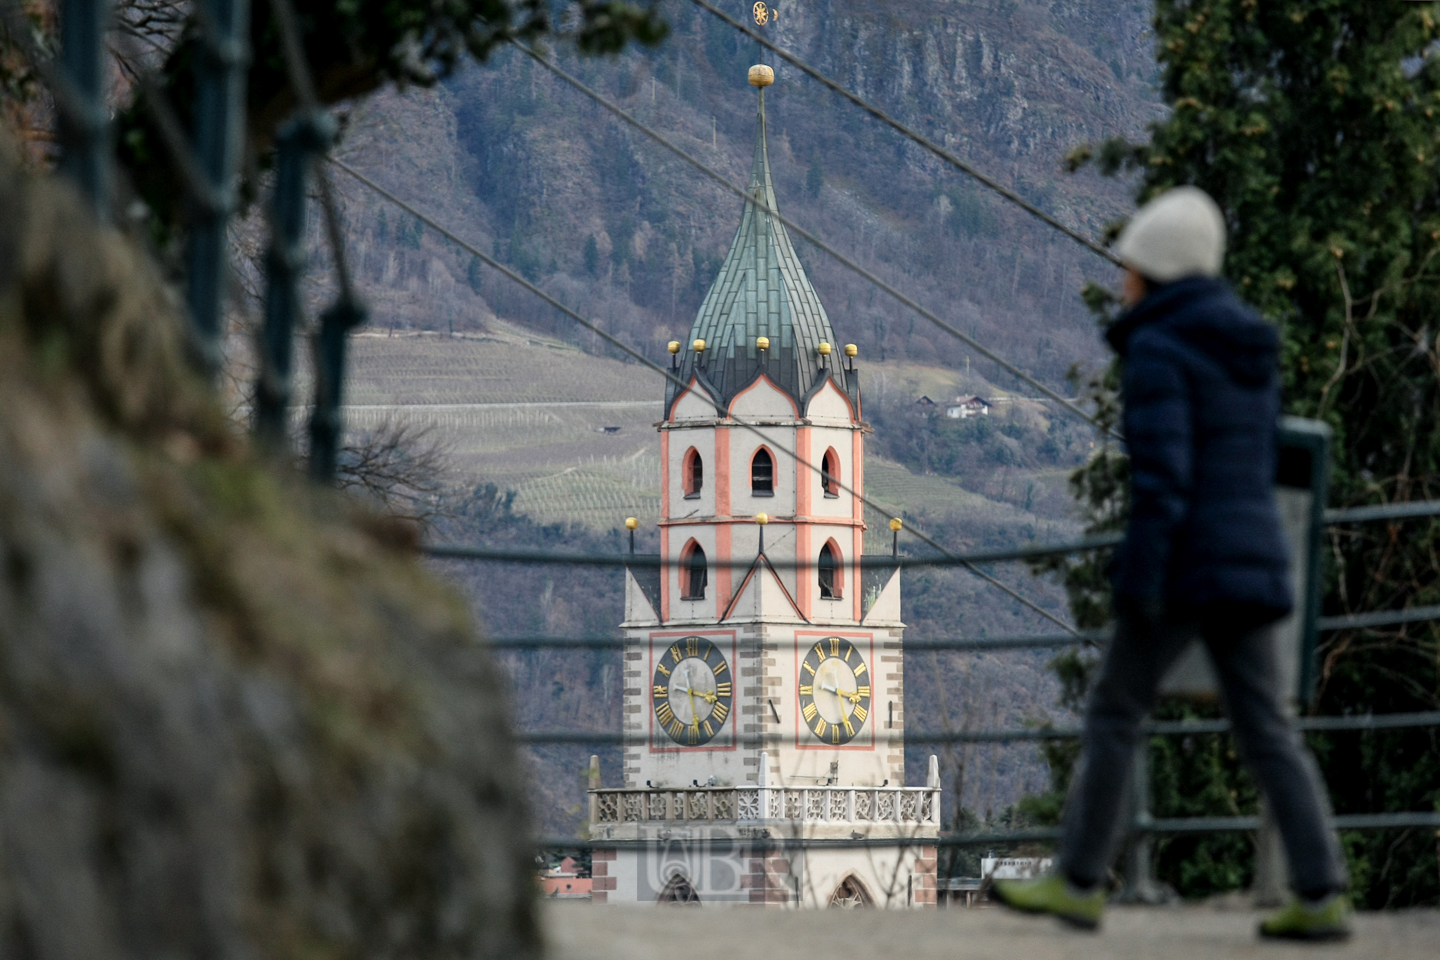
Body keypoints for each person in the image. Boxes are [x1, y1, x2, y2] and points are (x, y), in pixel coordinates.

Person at [992, 187, 1351, 940]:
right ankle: (1322, 892)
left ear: (1154, 272)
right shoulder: (1249, 346)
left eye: (1129, 267)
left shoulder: (1159, 348)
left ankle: (1080, 880)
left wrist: (1140, 581)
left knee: (1116, 710)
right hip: (1253, 560)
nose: (1121, 280)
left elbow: (1163, 477)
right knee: (1265, 729)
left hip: (1187, 563)